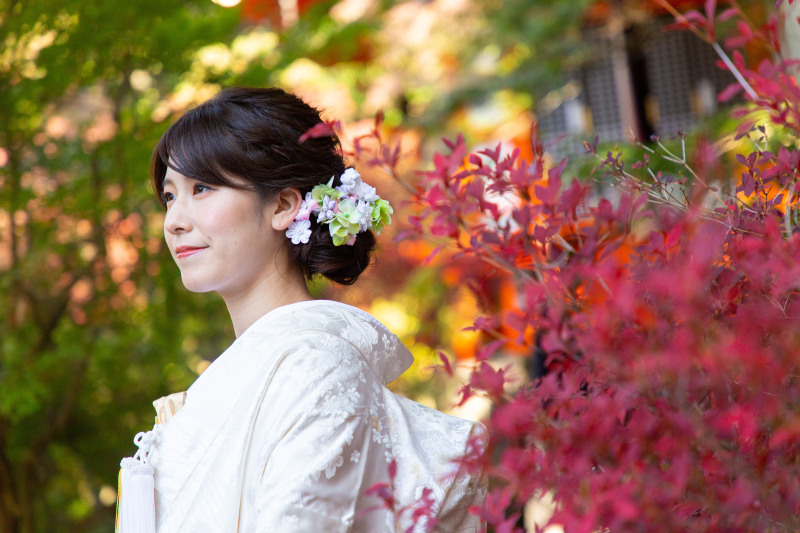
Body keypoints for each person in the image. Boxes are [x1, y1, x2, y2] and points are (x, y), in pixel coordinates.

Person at [117, 87, 484, 533]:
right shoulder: (257, 369)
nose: (173, 220)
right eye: (170, 196)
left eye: (202, 188)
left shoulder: (317, 368)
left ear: (284, 205)